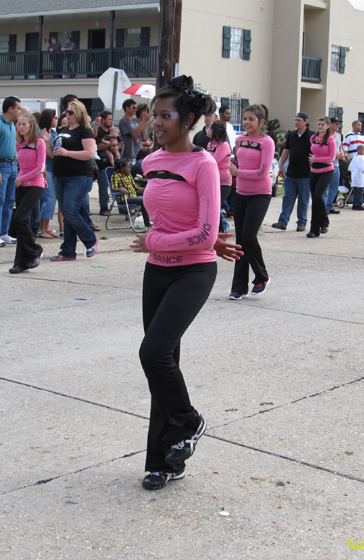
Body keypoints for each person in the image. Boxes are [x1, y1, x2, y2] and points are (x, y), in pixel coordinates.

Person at [127, 75, 240, 490]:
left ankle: (189, 420)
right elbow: (167, 218)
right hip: (157, 269)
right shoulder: (151, 162)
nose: (156, 122)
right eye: (153, 114)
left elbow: (206, 233)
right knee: (164, 364)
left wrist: (155, 239)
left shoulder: (203, 163)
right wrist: (157, 237)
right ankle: (163, 462)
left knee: (153, 353)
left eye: (165, 115)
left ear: (188, 118)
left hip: (192, 270)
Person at [229, 104, 274, 300]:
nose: (247, 122)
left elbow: (262, 173)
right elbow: (236, 163)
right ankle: (239, 287)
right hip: (241, 192)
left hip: (260, 194)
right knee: (240, 241)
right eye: (245, 118)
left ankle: (262, 277)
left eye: (251, 119)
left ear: (261, 122)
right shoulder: (240, 140)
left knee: (249, 235)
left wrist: (238, 173)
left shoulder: (267, 142)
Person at [50, 100, 98, 261]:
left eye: (71, 112)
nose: (67, 115)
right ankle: (68, 250)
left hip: (79, 176)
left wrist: (68, 153)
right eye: (66, 112)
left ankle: (90, 239)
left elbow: (89, 153)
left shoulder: (85, 131)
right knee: (67, 214)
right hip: (60, 176)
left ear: (79, 114)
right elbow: (56, 152)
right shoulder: (62, 130)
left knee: (71, 211)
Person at [8, 114, 46, 274]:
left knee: (20, 218)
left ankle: (35, 249)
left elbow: (40, 168)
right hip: (21, 185)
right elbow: (22, 166)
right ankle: (21, 262)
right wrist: (19, 179)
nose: (21, 126)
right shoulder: (19, 144)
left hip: (35, 185)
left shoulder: (39, 143)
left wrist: (21, 179)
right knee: (20, 223)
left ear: (31, 126)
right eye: (19, 124)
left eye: (24, 124)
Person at [0, 96, 21, 247]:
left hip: (12, 165)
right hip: (1, 165)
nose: (19, 111)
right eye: (18, 108)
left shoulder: (12, 125)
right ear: (10, 109)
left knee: (9, 201)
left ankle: (4, 232)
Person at [272, 112, 313, 232]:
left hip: (305, 174)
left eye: (299, 120)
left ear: (305, 121)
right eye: (295, 120)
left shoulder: (311, 135)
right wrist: (281, 167)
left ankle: (301, 223)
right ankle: (282, 221)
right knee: (287, 198)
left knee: (303, 200)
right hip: (291, 173)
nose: (296, 122)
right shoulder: (292, 135)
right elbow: (286, 151)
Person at [306, 116, 336, 237]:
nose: (320, 126)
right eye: (319, 124)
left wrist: (316, 159)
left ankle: (324, 221)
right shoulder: (313, 137)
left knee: (318, 195)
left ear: (328, 126)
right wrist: (314, 161)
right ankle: (314, 230)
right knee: (314, 199)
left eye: (323, 124)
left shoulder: (330, 139)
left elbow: (332, 157)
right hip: (314, 171)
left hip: (326, 171)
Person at [205, 121, 232, 233]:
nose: (207, 130)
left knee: (215, 207)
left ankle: (222, 229)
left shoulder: (224, 145)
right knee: (212, 207)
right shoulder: (210, 144)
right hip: (212, 180)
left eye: (209, 128)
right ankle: (219, 229)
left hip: (223, 182)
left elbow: (213, 161)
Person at [37, 109, 60, 239]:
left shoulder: (55, 132)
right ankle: (42, 229)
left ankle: (45, 227)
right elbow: (48, 153)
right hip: (46, 170)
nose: (56, 120)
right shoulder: (41, 133)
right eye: (54, 117)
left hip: (53, 168)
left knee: (50, 198)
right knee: (49, 198)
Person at [110, 159, 150, 226]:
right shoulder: (115, 176)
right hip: (125, 199)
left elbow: (136, 189)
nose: (130, 169)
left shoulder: (129, 176)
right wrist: (121, 189)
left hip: (134, 197)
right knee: (144, 200)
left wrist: (148, 188)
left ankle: (150, 221)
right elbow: (114, 188)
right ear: (122, 169)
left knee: (149, 198)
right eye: (128, 168)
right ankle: (147, 225)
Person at [95, 110, 120, 216]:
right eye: (109, 119)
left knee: (117, 185)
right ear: (103, 120)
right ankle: (104, 208)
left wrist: (116, 147)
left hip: (114, 163)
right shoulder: (99, 132)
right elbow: (98, 146)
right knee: (103, 187)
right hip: (102, 164)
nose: (111, 121)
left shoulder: (113, 131)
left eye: (111, 119)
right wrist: (110, 144)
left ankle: (122, 207)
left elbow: (120, 143)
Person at [119, 99, 150, 164]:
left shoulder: (135, 120)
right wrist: (143, 121)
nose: (135, 109)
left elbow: (142, 136)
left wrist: (144, 121)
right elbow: (134, 133)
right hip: (129, 155)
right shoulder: (124, 120)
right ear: (127, 108)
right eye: (133, 107)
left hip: (138, 153)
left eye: (135, 107)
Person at [324, 117, 343, 216]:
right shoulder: (326, 136)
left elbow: (340, 147)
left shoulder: (338, 136)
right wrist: (336, 155)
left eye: (338, 123)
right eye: (335, 123)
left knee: (334, 187)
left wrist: (343, 154)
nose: (337, 125)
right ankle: (324, 207)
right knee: (326, 187)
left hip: (336, 165)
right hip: (328, 164)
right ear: (330, 124)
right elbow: (325, 149)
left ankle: (330, 205)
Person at [349, 144, 364, 210]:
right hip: (359, 176)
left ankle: (355, 204)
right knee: (359, 191)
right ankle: (358, 204)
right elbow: (361, 167)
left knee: (356, 190)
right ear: (359, 151)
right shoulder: (361, 158)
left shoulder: (355, 157)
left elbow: (350, 167)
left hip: (354, 175)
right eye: (363, 150)